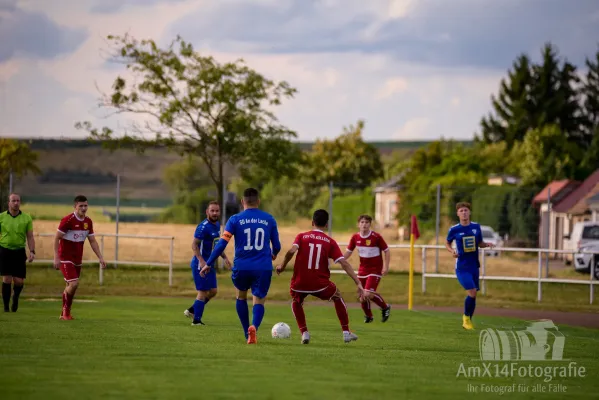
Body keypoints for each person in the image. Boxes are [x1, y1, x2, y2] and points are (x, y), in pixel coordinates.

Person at [201, 188, 280, 344]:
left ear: (242, 202)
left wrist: (208, 263)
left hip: (242, 266)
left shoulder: (235, 220)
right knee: (259, 300)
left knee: (241, 297)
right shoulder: (269, 219)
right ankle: (254, 328)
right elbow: (277, 245)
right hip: (262, 267)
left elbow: (221, 244)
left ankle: (246, 332)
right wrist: (273, 253)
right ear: (258, 201)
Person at [276, 209, 365, 344]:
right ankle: (346, 332)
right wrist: (357, 281)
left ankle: (304, 333)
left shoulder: (301, 236)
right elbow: (344, 263)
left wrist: (282, 266)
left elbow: (291, 251)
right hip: (320, 283)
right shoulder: (330, 242)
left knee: (296, 301)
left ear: (312, 222)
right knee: (337, 296)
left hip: (300, 282)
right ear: (327, 225)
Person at [53, 195, 106, 320]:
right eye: (81, 206)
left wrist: (100, 257)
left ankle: (64, 313)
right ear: (75, 207)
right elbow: (57, 238)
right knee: (74, 283)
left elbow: (92, 241)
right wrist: (56, 257)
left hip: (78, 258)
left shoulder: (88, 222)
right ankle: (66, 312)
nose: (83, 208)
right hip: (65, 257)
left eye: (85, 205)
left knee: (71, 286)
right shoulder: (68, 220)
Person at [445, 202, 495, 330]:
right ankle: (466, 319)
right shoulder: (454, 229)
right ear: (457, 213)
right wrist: (452, 251)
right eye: (461, 211)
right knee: (472, 292)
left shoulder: (476, 227)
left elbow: (480, 243)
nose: (464, 212)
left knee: (474, 294)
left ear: (469, 212)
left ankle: (468, 320)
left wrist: (487, 244)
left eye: (466, 210)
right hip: (462, 267)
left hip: (474, 266)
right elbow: (447, 243)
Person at [184, 201, 231, 325]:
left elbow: (217, 245)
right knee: (202, 292)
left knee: (213, 291)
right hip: (201, 264)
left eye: (217, 211)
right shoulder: (203, 227)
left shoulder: (216, 225)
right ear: (207, 212)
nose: (215, 213)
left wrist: (225, 257)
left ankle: (193, 309)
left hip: (209, 264)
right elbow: (194, 245)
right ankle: (196, 321)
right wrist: (201, 261)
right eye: (212, 211)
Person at [343, 215, 391, 323]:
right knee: (362, 297)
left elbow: (387, 251)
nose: (364, 224)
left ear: (370, 224)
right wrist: (339, 259)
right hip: (362, 270)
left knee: (368, 293)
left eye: (367, 222)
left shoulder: (376, 237)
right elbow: (348, 252)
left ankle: (385, 307)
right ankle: (369, 316)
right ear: (358, 224)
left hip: (375, 270)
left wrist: (386, 266)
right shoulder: (355, 237)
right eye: (362, 222)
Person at [0, 193, 35, 312]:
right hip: (5, 250)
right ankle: (6, 307)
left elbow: (30, 236)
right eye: (13, 201)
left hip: (19, 251)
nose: (16, 203)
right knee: (7, 279)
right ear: (8, 203)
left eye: (18, 201)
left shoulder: (26, 218)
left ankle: (15, 297)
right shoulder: (1, 217)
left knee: (19, 281)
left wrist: (32, 251)